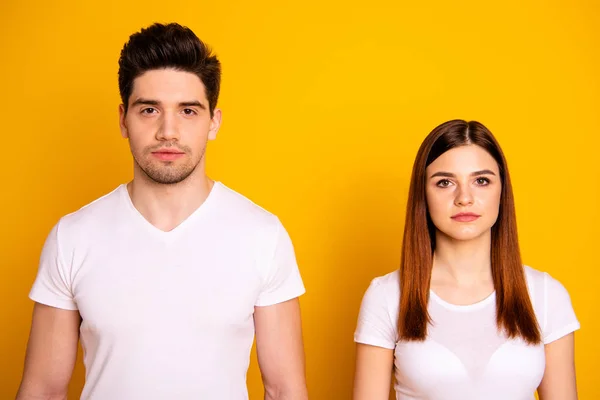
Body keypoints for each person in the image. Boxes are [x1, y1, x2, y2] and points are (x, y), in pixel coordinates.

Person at [16, 22, 308, 400]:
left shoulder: (263, 236)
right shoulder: (72, 236)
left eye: (188, 111)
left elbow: (285, 390)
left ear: (213, 122)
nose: (168, 131)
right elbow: (43, 390)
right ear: (123, 119)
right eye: (149, 109)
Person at [352, 119, 579, 400]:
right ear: (423, 194)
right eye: (445, 182)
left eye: (481, 180)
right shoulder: (387, 295)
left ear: (502, 191)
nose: (464, 198)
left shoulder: (546, 295)